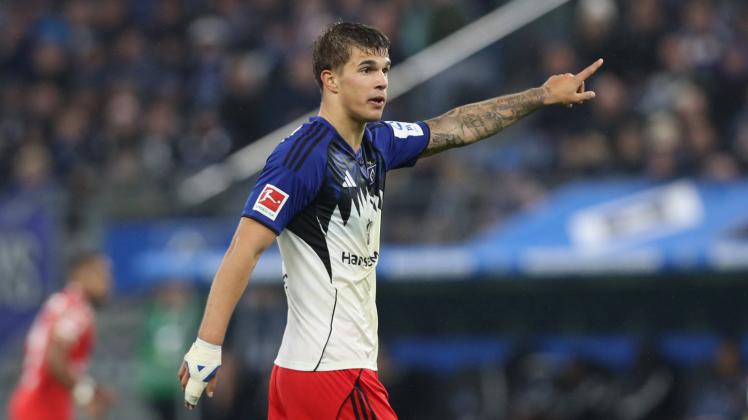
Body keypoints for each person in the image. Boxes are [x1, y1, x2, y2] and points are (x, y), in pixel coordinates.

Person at [178, 21, 602, 419]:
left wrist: (540, 96)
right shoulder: (301, 156)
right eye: (366, 69)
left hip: (310, 373)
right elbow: (245, 248)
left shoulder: (378, 143)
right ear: (330, 79)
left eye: (385, 69)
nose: (381, 81)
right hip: (333, 374)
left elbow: (455, 126)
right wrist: (208, 345)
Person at [8, 251, 114, 420]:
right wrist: (86, 394)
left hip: (37, 400)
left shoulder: (63, 302)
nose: (107, 282)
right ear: (82, 274)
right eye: (101, 273)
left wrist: (93, 390)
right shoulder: (76, 309)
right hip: (42, 405)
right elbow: (54, 358)